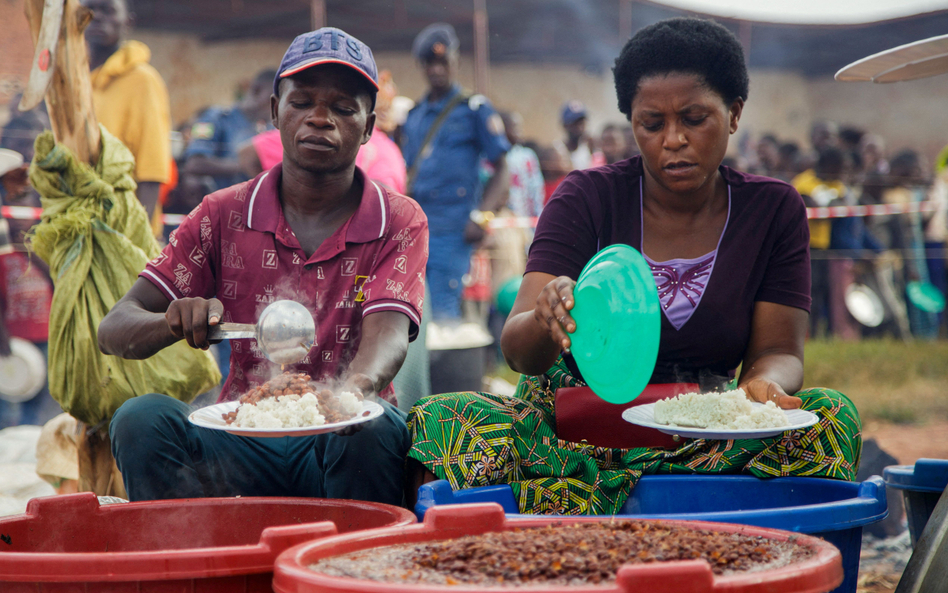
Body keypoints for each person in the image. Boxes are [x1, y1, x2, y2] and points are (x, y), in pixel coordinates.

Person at [406, 17, 860, 515]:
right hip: (577, 431)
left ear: (733, 114)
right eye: (652, 123)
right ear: (632, 123)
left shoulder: (772, 210)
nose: (673, 139)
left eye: (693, 118)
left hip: (706, 428)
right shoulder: (586, 198)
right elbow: (519, 353)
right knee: (443, 419)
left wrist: (761, 386)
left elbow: (779, 348)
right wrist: (545, 317)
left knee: (832, 417)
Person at [98, 27, 428, 504]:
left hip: (348, 442)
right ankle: (186, 562)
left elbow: (390, 334)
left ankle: (350, 568)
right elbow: (115, 328)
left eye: (342, 107)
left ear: (370, 126)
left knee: (369, 429)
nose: (320, 119)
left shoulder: (397, 218)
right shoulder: (221, 213)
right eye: (302, 102)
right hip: (246, 436)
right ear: (275, 111)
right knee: (141, 419)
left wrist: (347, 396)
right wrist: (172, 322)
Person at [400, 23, 510, 321]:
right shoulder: (414, 115)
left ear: (455, 62)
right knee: (413, 306)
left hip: (453, 226)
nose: (437, 69)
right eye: (429, 63)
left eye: (443, 62)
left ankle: (446, 369)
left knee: (442, 309)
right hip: (416, 226)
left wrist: (481, 216)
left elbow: (503, 168)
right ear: (421, 66)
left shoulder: (474, 109)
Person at [82, 0, 171, 233]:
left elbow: (152, 168)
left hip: (121, 229)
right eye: (90, 9)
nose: (97, 17)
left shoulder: (143, 80)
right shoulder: (73, 78)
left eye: (108, 10)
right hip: (78, 224)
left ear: (128, 22)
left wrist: (136, 239)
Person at [183, 69, 276, 194]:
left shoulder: (269, 129)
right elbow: (194, 163)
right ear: (256, 90)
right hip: (218, 205)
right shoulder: (213, 118)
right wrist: (247, 165)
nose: (277, 106)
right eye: (273, 99)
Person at [554, 101, 604, 171]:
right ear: (565, 125)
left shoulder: (590, 146)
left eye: (582, 123)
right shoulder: (557, 149)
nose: (579, 128)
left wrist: (594, 152)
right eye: (575, 123)